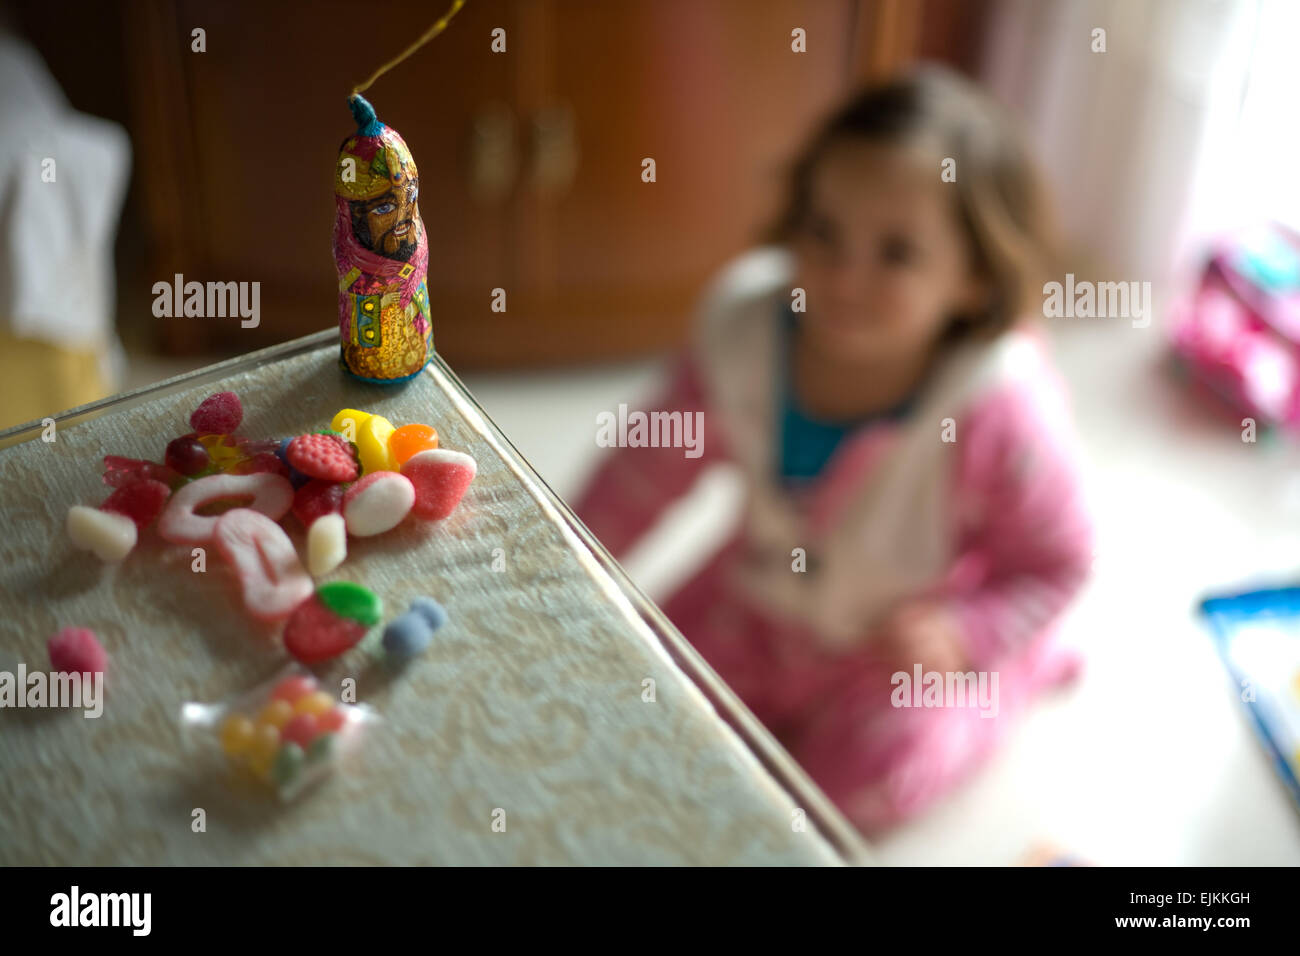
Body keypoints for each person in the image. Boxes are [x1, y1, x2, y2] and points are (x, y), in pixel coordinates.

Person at [573, 66, 1093, 834]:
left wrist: (964, 635)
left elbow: (1058, 561)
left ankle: (1018, 674)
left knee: (848, 798)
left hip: (896, 645)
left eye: (896, 253)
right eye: (824, 231)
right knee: (652, 715)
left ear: (975, 281)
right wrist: (561, 565)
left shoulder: (999, 408)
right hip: (756, 599)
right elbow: (638, 478)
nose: (845, 277)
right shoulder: (742, 340)